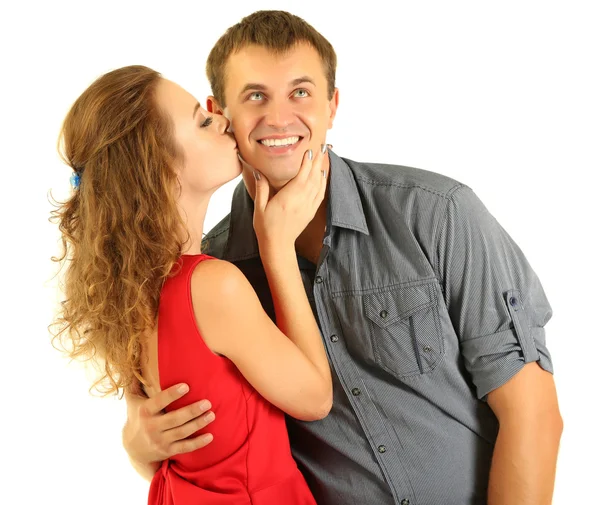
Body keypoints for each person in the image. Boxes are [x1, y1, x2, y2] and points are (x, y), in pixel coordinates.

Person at [122, 10, 563, 505]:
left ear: (333, 106)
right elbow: (211, 452)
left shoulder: (438, 214)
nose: (279, 118)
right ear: (220, 113)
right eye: (255, 96)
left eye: (301, 93)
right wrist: (139, 445)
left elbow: (533, 414)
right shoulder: (212, 273)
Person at [51, 64, 334, 504]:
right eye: (203, 122)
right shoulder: (212, 286)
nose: (221, 120)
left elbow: (162, 455)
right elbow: (315, 398)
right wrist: (276, 247)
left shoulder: (128, 293)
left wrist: (135, 445)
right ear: (158, 167)